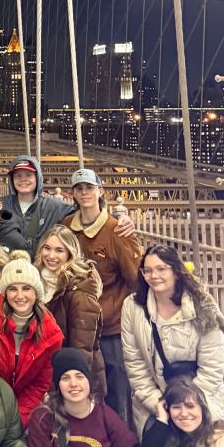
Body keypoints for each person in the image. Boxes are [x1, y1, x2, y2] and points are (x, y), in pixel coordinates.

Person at [121, 245, 224, 434]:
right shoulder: (133, 306)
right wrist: (160, 405)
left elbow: (213, 367)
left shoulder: (202, 306)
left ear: (176, 271)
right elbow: (135, 366)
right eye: (148, 271)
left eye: (161, 269)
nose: (154, 276)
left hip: (201, 402)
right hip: (155, 405)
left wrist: (184, 407)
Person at [62, 169, 141, 425]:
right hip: (75, 326)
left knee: (116, 386)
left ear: (100, 191)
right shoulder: (65, 228)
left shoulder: (116, 230)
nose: (84, 193)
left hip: (109, 326)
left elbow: (134, 278)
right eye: (79, 188)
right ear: (73, 194)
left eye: (89, 187)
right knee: (81, 388)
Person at [0, 251, 64, 426]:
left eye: (26, 288)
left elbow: (39, 385)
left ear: (36, 292)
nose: (20, 296)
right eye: (13, 289)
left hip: (18, 415)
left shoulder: (51, 334)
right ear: (5, 292)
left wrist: (15, 421)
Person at [1, 156, 137, 254]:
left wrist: (118, 219)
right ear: (12, 180)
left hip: (41, 275)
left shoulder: (54, 206)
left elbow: (84, 215)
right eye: (18, 176)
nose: (23, 179)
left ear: (38, 178)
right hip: (7, 275)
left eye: (28, 175)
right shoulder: (0, 205)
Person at [35, 225, 107, 398]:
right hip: (46, 378)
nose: (51, 256)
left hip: (71, 384)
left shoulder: (79, 291)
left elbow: (81, 351)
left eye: (59, 250)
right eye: (47, 248)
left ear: (70, 253)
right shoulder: (36, 282)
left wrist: (70, 390)